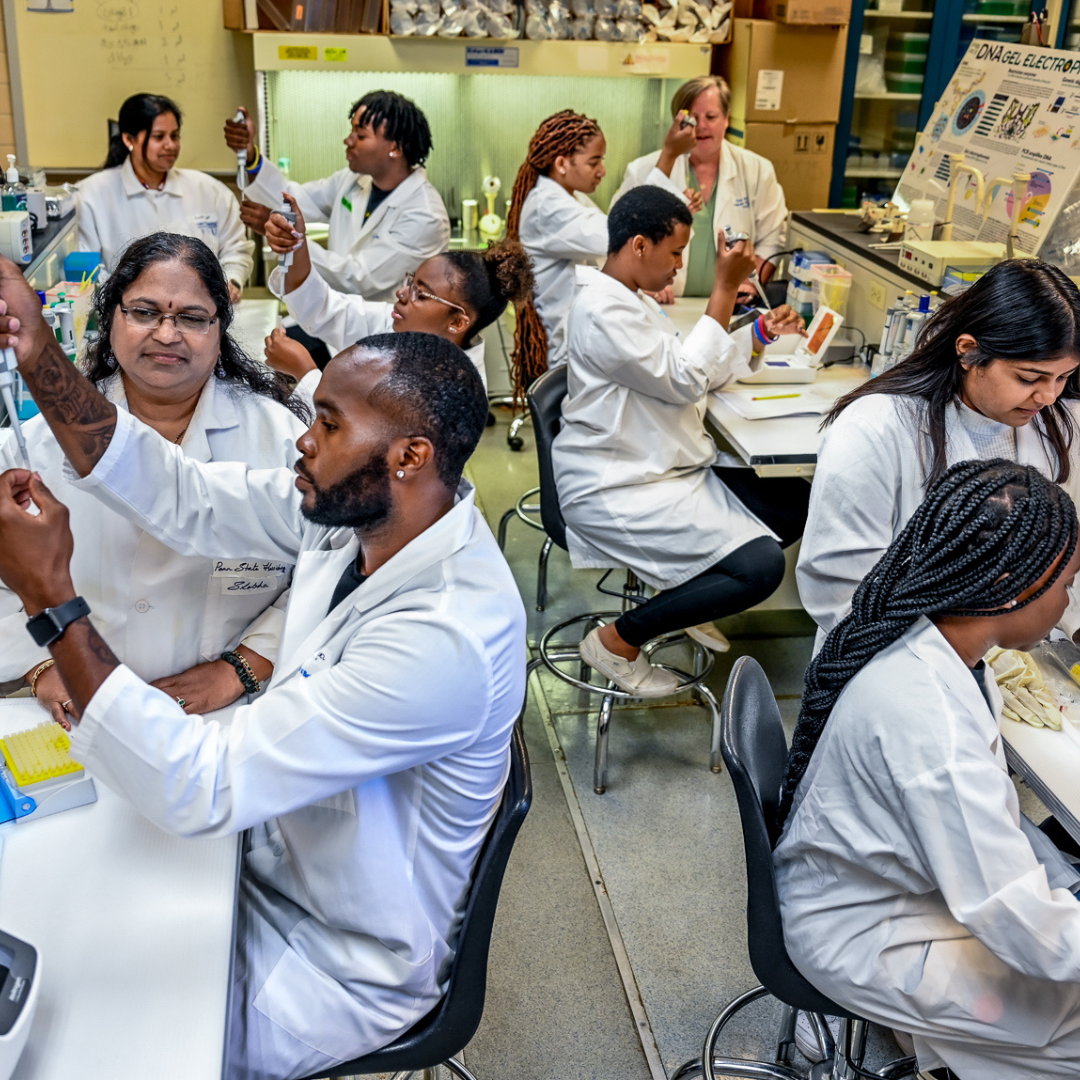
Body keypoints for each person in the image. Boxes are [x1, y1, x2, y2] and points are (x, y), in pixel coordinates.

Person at [0, 251, 526, 1079]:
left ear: (412, 456)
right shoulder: (366, 514)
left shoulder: (443, 634)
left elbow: (199, 785)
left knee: (91, 1049)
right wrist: (38, 354)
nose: (302, 443)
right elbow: (178, 490)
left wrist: (53, 601)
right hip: (269, 856)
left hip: (335, 955)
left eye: (328, 426)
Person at [775, 458, 1080, 1079]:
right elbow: (1014, 917)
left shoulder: (927, 637)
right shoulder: (929, 719)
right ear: (1010, 583)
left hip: (882, 885)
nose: (1070, 601)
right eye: (1066, 582)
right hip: (872, 937)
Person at [0, 232, 307, 720]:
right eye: (144, 312)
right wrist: (41, 663)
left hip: (227, 720)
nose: (167, 334)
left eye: (191, 318)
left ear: (221, 325)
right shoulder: (29, 444)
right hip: (75, 711)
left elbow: (327, 567)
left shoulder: (282, 439)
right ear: (111, 317)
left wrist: (243, 666)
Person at [551, 185, 805, 696]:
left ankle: (691, 589)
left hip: (662, 469)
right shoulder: (603, 310)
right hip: (618, 486)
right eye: (675, 253)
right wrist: (724, 287)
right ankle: (617, 641)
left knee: (796, 501)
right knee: (760, 569)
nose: (679, 266)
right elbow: (686, 379)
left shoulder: (630, 299)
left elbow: (688, 367)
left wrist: (755, 336)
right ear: (639, 245)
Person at [797, 259, 1080, 650]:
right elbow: (839, 587)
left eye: (1063, 377)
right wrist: (956, 659)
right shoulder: (875, 429)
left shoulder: (1057, 420)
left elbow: (1056, 563)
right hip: (897, 661)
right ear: (968, 352)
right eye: (1029, 378)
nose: (1049, 396)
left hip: (1016, 653)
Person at [260, 191, 534, 395]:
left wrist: (304, 372)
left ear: (457, 322)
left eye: (422, 294)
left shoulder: (456, 387)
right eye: (411, 283)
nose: (403, 293)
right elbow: (325, 308)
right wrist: (295, 244)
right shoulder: (401, 326)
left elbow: (363, 437)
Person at [225, 91, 450, 302]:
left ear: (396, 148)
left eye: (360, 135)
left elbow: (357, 278)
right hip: (338, 319)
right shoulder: (353, 180)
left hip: (385, 334)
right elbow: (294, 199)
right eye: (352, 131)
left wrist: (288, 239)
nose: (348, 140)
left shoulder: (425, 216)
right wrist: (251, 155)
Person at [614, 76, 788, 301]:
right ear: (677, 122)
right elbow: (618, 238)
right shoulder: (643, 170)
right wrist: (642, 281)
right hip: (662, 305)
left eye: (711, 117)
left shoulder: (756, 170)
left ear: (726, 119)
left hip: (729, 307)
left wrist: (748, 283)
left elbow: (773, 236)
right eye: (693, 119)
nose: (702, 126)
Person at [77, 94, 254, 304]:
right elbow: (88, 271)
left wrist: (232, 280)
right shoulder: (90, 196)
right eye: (159, 137)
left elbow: (236, 250)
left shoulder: (211, 191)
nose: (170, 145)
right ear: (129, 139)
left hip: (200, 313)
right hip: (129, 316)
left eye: (175, 136)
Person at [505, 109, 611, 394]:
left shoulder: (569, 199)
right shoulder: (548, 206)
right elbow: (614, 238)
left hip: (576, 343)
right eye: (594, 161)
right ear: (562, 163)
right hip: (565, 349)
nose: (602, 170)